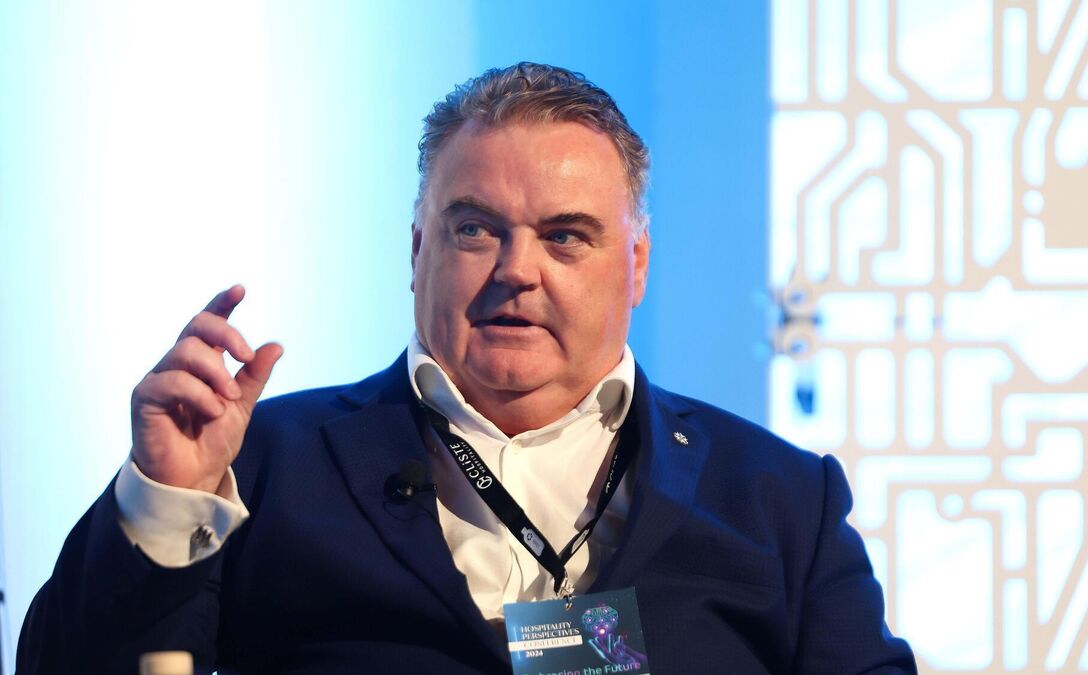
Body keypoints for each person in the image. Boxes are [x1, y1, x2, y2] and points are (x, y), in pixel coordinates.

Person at [18, 62, 916, 673]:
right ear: (418, 252)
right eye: (476, 228)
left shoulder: (778, 501)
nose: (518, 270)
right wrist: (165, 500)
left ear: (637, 263)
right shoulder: (260, 462)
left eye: (566, 236)